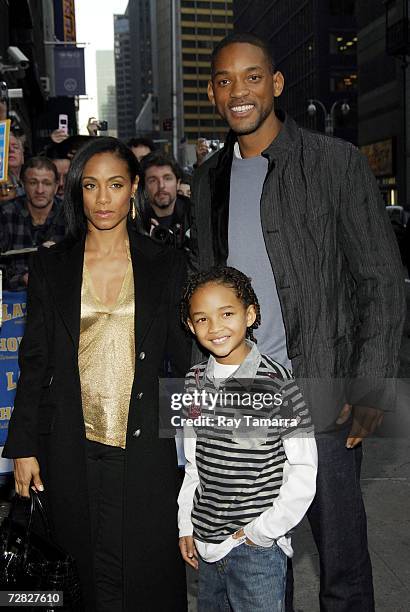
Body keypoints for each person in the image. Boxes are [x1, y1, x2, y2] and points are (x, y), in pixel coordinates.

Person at [189, 32, 406, 612]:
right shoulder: (207, 181)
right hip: (245, 396)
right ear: (213, 93)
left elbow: (381, 280)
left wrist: (372, 385)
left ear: (276, 85)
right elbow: (205, 291)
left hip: (325, 388)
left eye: (253, 77)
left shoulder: (335, 163)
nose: (240, 91)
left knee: (341, 559)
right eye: (226, 81)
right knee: (260, 556)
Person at [2, 136, 190, 611]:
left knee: (144, 572)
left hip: (144, 445)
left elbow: (186, 360)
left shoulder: (165, 264)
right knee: (79, 571)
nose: (102, 199)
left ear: (133, 191)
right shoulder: (50, 265)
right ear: (77, 192)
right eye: (91, 186)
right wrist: (23, 445)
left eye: (115, 185)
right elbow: (34, 361)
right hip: (69, 442)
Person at [177, 266, 317, 611]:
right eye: (202, 319)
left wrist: (263, 531)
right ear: (190, 326)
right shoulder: (193, 380)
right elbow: (194, 464)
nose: (216, 327)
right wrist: (186, 524)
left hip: (256, 551)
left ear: (249, 314)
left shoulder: (278, 382)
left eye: (226, 313)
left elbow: (303, 468)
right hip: (208, 546)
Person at [0, 157, 66, 290]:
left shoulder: (70, 215)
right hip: (13, 302)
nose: (40, 190)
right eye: (33, 182)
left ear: (56, 186)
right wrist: (21, 279)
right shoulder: (5, 214)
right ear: (23, 184)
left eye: (46, 183)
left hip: (59, 298)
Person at [138, 151, 191, 250]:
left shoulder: (194, 215)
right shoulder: (135, 221)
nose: (161, 186)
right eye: (153, 180)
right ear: (144, 187)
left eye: (167, 178)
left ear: (178, 183)